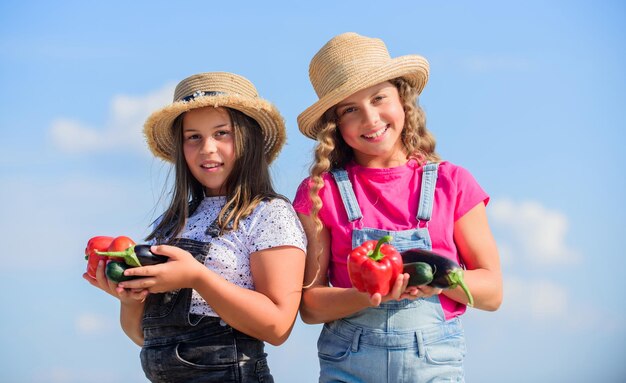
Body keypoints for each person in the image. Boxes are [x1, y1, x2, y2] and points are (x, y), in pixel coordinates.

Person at [293, 32, 502, 382]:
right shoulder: (320, 192)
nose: (370, 118)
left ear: (403, 100)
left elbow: (492, 292)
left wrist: (439, 282)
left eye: (379, 98)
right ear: (335, 126)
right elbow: (311, 305)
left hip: (433, 365)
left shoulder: (453, 183)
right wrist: (367, 294)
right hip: (349, 366)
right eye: (350, 110)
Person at [83, 72, 306, 383]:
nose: (207, 148)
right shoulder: (174, 223)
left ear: (249, 139)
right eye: (194, 137)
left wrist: (197, 277)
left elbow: (278, 325)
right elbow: (144, 336)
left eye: (221, 133)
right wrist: (129, 299)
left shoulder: (268, 214)